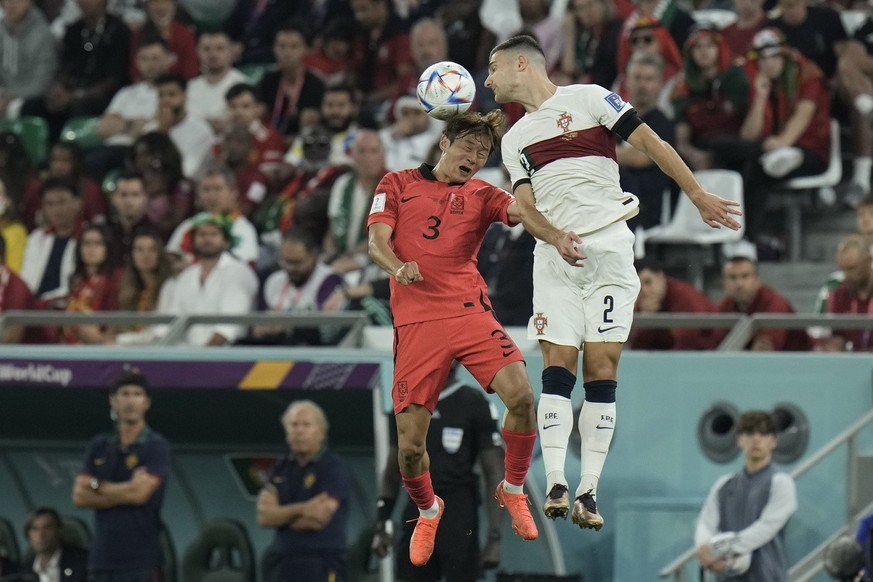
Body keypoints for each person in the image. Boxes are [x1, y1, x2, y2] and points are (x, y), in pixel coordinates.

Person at [484, 34, 740, 529]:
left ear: (522, 64)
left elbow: (652, 143)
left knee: (602, 367)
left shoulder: (590, 98)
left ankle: (589, 491)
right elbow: (527, 209)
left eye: (493, 69)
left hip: (609, 250)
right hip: (555, 256)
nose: (488, 80)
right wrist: (555, 237)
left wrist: (698, 194)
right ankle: (557, 480)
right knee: (556, 367)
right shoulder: (514, 139)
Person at [367, 109, 584, 565]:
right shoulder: (396, 182)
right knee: (409, 450)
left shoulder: (484, 194)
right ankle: (428, 511)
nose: (474, 156)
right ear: (444, 142)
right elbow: (376, 243)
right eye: (468, 147)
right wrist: (397, 267)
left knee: (523, 397)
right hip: (417, 324)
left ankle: (513, 488)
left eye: (483, 152)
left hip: (469, 312)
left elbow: (523, 212)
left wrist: (557, 236)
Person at [371, 364, 506, 580]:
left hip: (459, 510)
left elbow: (494, 471)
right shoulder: (406, 401)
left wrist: (494, 536)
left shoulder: (473, 401)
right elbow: (393, 470)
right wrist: (383, 523)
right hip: (418, 506)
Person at [71, 369, 171, 582]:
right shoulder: (99, 445)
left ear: (147, 402)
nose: (131, 401)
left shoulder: (156, 446)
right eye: (124, 394)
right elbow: (79, 496)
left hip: (141, 561)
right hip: (101, 560)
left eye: (137, 394)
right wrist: (124, 488)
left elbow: (139, 495)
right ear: (113, 401)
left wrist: (97, 486)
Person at [695, 410, 798, 581]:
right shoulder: (724, 485)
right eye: (749, 433)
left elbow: (764, 529)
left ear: (773, 441)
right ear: (740, 440)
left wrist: (718, 548)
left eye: (763, 434)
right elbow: (705, 523)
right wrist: (704, 548)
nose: (756, 439)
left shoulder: (781, 483)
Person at [257, 400, 351, 582]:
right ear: (286, 432)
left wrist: (281, 517)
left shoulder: (334, 467)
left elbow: (317, 518)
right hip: (283, 562)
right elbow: (264, 517)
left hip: (323, 562)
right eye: (294, 425)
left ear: (322, 433)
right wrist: (303, 509)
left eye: (306, 425)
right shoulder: (280, 468)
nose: (299, 431)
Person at [708, 256, 811, 351]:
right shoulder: (725, 306)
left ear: (757, 281)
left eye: (745, 276)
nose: (739, 284)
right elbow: (718, 346)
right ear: (724, 284)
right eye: (733, 278)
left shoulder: (774, 303)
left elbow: (766, 349)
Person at [631, 261, 717, 350]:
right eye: (639, 286)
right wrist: (646, 317)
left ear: (661, 277)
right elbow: (638, 348)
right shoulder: (644, 302)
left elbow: (687, 344)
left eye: (648, 282)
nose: (644, 290)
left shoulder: (684, 297)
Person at [822, 234, 873, 352]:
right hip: (853, 363)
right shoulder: (839, 295)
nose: (847, 275)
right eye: (843, 269)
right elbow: (838, 338)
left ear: (869, 261)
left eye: (852, 268)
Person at [23, 507, 89, 582]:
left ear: (59, 531)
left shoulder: (82, 562)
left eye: (47, 527)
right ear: (28, 535)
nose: (41, 535)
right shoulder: (25, 572)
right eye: (35, 529)